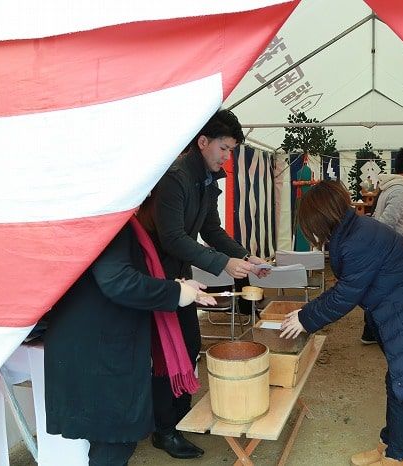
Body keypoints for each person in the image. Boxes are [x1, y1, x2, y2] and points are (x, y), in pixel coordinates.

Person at [280, 180, 403, 466]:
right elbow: (350, 287)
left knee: (402, 384)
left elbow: (345, 295)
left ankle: (396, 457)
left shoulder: (357, 240)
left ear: (320, 218)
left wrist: (304, 317)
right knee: (398, 382)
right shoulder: (357, 230)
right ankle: (389, 445)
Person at [44, 207, 216, 466]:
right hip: (100, 352)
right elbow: (118, 281)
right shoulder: (109, 217)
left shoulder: (90, 212)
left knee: (107, 445)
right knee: (112, 448)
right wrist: (176, 293)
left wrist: (176, 286)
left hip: (89, 344)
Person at [149, 109, 269, 458]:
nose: (227, 156)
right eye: (225, 148)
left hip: (181, 276)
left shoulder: (206, 179)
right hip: (157, 277)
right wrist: (222, 264)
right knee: (165, 352)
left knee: (188, 345)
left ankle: (180, 417)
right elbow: (171, 237)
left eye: (231, 150)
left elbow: (211, 230)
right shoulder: (175, 178)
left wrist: (245, 258)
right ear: (203, 142)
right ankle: (164, 430)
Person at [359, 148, 403, 344]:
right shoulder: (401, 191)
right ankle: (384, 333)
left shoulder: (392, 187)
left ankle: (371, 333)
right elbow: (387, 223)